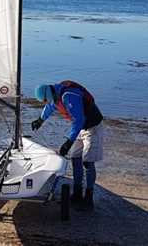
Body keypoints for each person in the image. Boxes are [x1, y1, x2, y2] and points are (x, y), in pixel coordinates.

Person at [31, 81, 104, 211]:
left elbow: (79, 120)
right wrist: (40, 120)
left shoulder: (68, 96)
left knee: (87, 162)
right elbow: (50, 107)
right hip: (82, 129)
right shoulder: (55, 94)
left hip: (93, 128)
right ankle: (77, 192)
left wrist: (69, 141)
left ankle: (88, 197)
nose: (45, 103)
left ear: (48, 94)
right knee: (75, 158)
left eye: (45, 100)